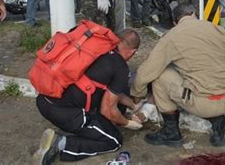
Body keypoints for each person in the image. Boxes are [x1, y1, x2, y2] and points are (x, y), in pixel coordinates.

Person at [131, 3, 225, 147]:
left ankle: (171, 133)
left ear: (175, 22)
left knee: (160, 75)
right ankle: (220, 123)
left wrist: (137, 96)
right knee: (197, 76)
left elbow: (145, 73)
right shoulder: (213, 27)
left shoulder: (172, 36)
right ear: (194, 14)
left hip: (203, 104)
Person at [33, 29, 143, 164]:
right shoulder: (120, 67)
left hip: (45, 100)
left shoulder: (96, 48)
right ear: (133, 52)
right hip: (65, 112)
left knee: (112, 97)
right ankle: (60, 143)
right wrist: (128, 123)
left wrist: (132, 105)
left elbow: (106, 88)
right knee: (113, 140)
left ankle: (90, 128)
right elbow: (107, 110)